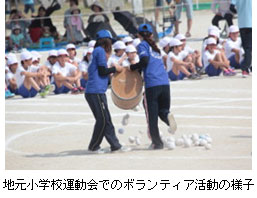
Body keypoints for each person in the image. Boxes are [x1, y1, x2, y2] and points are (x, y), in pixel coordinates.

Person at [129, 24, 177, 149]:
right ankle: (168, 117)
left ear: (139, 35)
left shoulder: (142, 45)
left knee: (152, 116)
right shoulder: (156, 49)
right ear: (151, 35)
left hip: (152, 84)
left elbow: (144, 61)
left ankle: (157, 143)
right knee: (163, 111)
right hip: (165, 83)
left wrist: (132, 67)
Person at [85, 30, 126, 153]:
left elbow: (101, 71)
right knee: (102, 120)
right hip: (94, 91)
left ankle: (115, 145)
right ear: (106, 42)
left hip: (97, 91)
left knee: (106, 119)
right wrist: (116, 69)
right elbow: (103, 71)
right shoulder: (100, 51)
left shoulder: (97, 51)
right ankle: (93, 146)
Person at [230, 0, 252, 77]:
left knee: (246, 48)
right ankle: (245, 68)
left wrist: (240, 12)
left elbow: (231, 7)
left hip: (242, 24)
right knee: (249, 48)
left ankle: (247, 67)